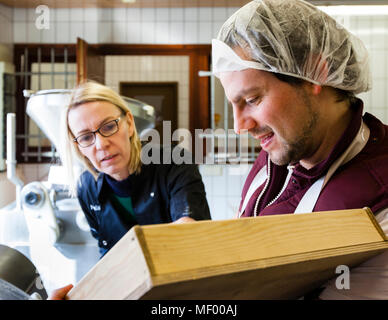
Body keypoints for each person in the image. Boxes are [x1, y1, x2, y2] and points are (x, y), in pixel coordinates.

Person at [213, 0, 388, 299]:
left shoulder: (378, 203)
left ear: (315, 73)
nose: (239, 125)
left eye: (252, 99)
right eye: (234, 104)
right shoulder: (281, 152)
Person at [62, 81, 211, 257]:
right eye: (86, 137)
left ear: (130, 124)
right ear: (79, 146)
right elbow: (106, 252)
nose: (101, 144)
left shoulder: (175, 163)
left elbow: (189, 231)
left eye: (109, 126)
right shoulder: (87, 187)